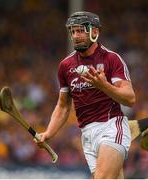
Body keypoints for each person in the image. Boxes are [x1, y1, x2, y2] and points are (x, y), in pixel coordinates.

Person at [36, 11, 137, 179]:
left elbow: (130, 98)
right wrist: (48, 133)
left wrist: (104, 86)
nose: (76, 35)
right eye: (73, 31)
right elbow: (62, 106)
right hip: (87, 134)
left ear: (95, 32)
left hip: (111, 126)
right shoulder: (65, 65)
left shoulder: (111, 59)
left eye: (81, 30)